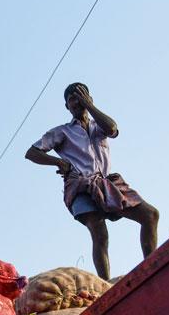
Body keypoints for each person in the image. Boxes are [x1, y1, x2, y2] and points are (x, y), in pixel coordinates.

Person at [26, 83, 159, 280]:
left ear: (89, 99)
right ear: (67, 106)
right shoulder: (62, 132)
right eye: (72, 99)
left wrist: (90, 106)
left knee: (150, 215)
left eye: (81, 96)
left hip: (108, 183)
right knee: (100, 232)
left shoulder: (99, 127)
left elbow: (112, 128)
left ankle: (152, 267)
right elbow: (32, 153)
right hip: (81, 186)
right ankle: (106, 286)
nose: (77, 101)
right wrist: (59, 162)